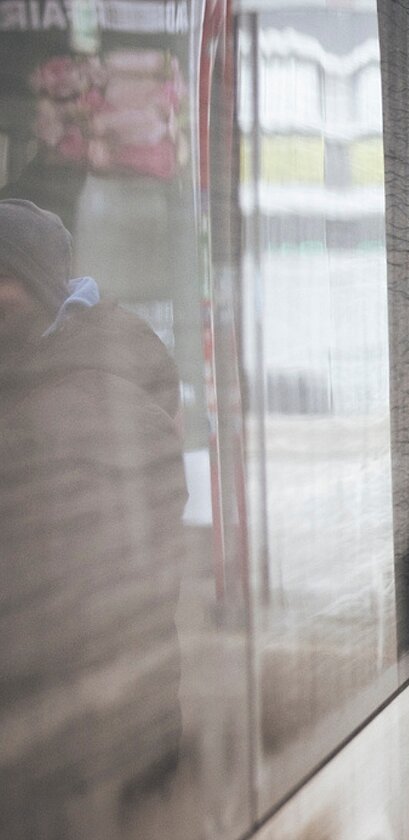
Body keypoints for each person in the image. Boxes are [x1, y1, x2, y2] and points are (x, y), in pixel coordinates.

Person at [0, 199, 187, 838]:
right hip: (117, 729)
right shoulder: (90, 368)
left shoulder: (69, 402)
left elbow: (54, 597)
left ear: (32, 282)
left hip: (77, 747)